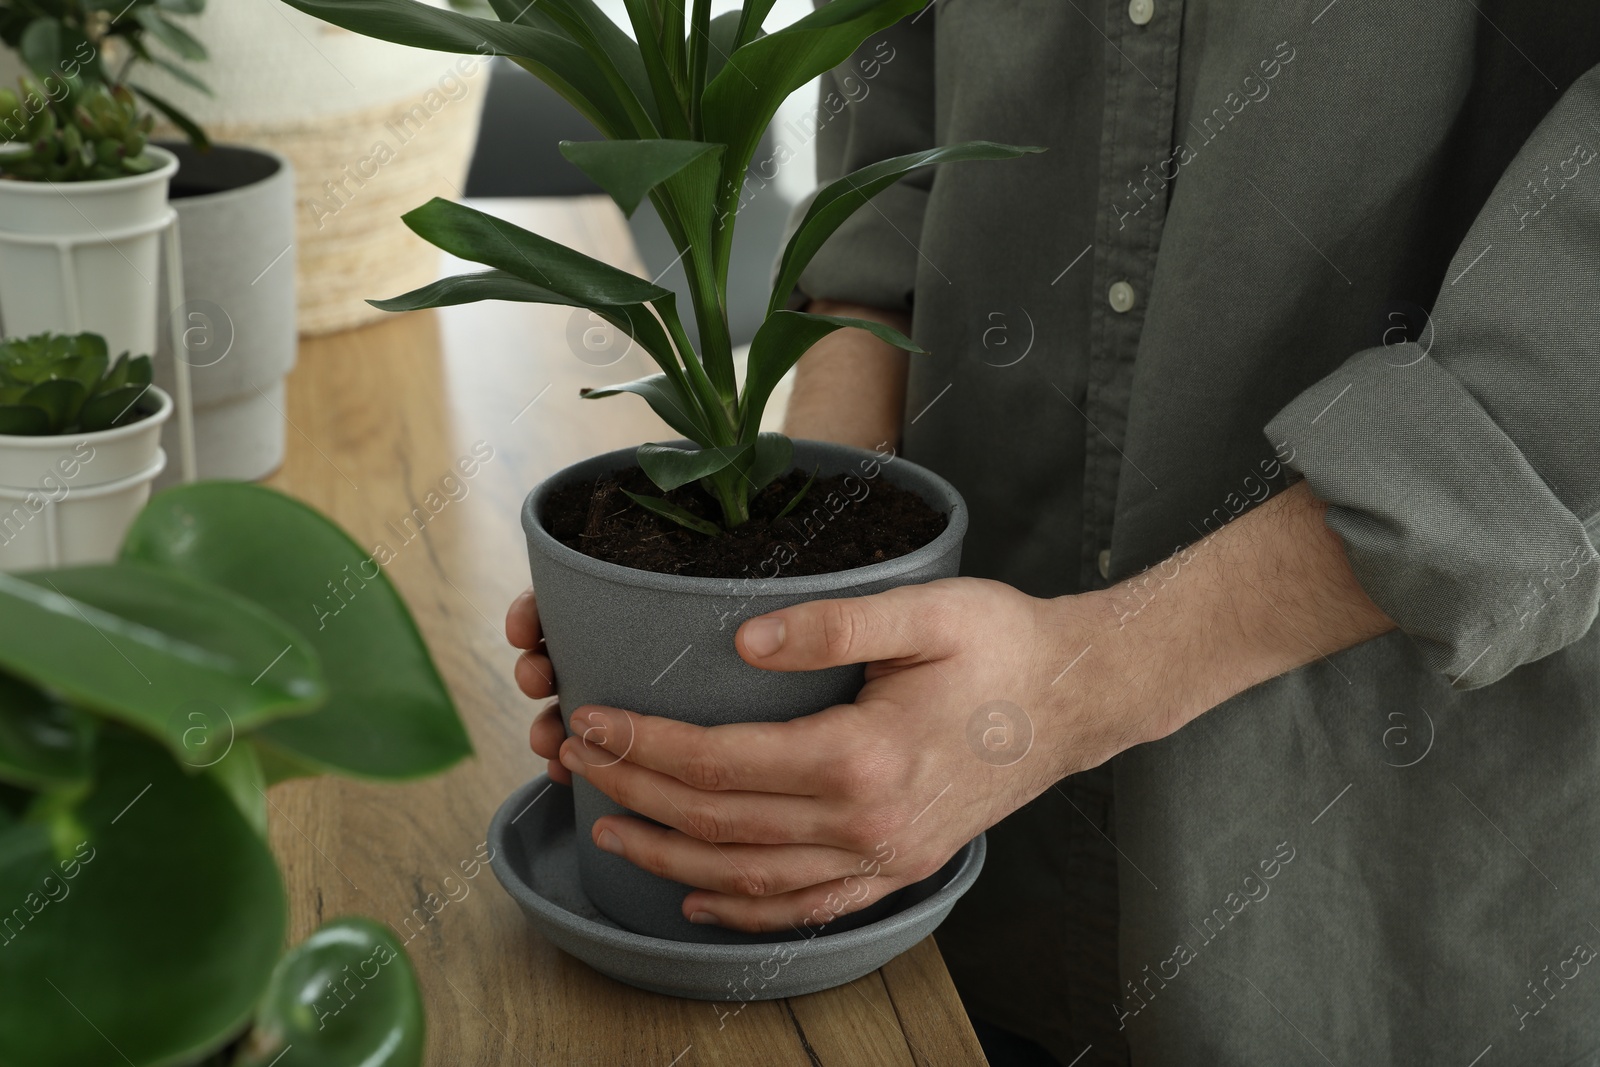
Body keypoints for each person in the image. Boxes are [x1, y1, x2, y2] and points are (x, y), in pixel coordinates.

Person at [507, 3, 1600, 1063]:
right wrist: (802, 548)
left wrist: (1075, 686)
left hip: (1367, 891)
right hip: (937, 896)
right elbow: (887, 62)